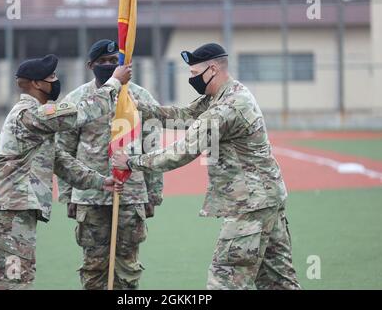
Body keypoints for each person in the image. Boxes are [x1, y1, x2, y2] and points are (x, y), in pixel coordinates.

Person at [112, 43, 301, 290]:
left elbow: (183, 151)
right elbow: (184, 116)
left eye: (194, 74)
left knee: (224, 280)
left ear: (212, 69)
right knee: (278, 282)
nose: (192, 79)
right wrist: (138, 108)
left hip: (250, 206)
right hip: (265, 201)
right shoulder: (224, 95)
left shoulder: (226, 107)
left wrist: (132, 162)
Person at [0, 54, 130, 289]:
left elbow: (61, 162)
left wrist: (101, 182)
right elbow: (81, 112)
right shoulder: (30, 115)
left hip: (15, 210)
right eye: (51, 76)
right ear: (36, 84)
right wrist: (114, 82)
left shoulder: (37, 120)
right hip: (9, 212)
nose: (56, 80)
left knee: (20, 277)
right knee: (11, 282)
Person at [56, 39, 163, 290]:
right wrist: (68, 194)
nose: (108, 66)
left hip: (131, 193)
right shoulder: (78, 99)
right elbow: (63, 151)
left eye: (113, 61)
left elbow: (153, 150)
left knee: (127, 266)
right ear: (90, 65)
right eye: (102, 62)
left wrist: (153, 195)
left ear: (123, 64)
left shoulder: (140, 97)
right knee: (94, 266)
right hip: (89, 195)